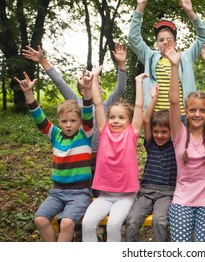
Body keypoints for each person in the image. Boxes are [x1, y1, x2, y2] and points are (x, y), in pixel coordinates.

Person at [22, 43, 127, 197]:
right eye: (96, 84)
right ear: (83, 89)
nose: (101, 87)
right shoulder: (75, 102)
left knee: (101, 195)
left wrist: (121, 64)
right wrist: (43, 61)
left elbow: (120, 89)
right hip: (80, 160)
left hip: (102, 160)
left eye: (99, 84)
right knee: (82, 194)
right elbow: (60, 82)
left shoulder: (105, 106)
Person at [13, 70, 94, 242]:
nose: (69, 125)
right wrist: (28, 93)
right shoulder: (55, 135)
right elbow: (38, 117)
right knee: (40, 219)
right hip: (57, 192)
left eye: (73, 121)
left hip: (80, 193)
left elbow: (87, 112)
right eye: (64, 121)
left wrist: (87, 90)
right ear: (59, 122)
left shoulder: (85, 135)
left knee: (66, 223)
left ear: (79, 122)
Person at [164, 40, 205, 242]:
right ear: (186, 113)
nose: (197, 114)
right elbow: (173, 102)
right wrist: (174, 66)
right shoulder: (178, 134)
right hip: (182, 201)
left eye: (202, 110)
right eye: (192, 110)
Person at [128, 0, 205, 120]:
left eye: (169, 40)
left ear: (176, 43)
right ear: (157, 44)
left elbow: (204, 36)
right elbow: (133, 37)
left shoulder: (186, 57)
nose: (165, 42)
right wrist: (140, 6)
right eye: (161, 40)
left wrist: (190, 12)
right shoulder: (150, 57)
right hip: (156, 117)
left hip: (182, 116)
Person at [81, 71, 146, 242]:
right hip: (105, 195)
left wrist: (138, 81)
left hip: (126, 196)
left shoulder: (132, 133)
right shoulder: (104, 132)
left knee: (113, 225)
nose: (115, 121)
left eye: (121, 118)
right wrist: (94, 78)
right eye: (112, 117)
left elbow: (139, 106)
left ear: (130, 120)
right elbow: (97, 104)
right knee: (87, 223)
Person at [125, 85, 177, 242]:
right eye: (156, 132)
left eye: (164, 132)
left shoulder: (175, 145)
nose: (159, 135)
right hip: (146, 192)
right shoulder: (151, 144)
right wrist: (154, 99)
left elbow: (176, 124)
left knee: (160, 221)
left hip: (167, 193)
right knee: (132, 220)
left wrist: (171, 100)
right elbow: (146, 120)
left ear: (171, 132)